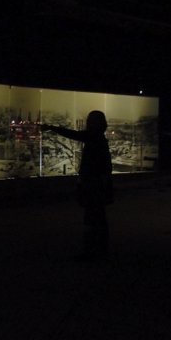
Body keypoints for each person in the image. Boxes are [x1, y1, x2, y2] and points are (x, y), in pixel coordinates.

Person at [41, 110, 113, 260]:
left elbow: (73, 134)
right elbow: (106, 167)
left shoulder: (93, 137)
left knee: (92, 218)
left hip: (93, 185)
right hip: (98, 185)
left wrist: (52, 128)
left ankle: (92, 251)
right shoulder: (99, 138)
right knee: (98, 218)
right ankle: (100, 250)